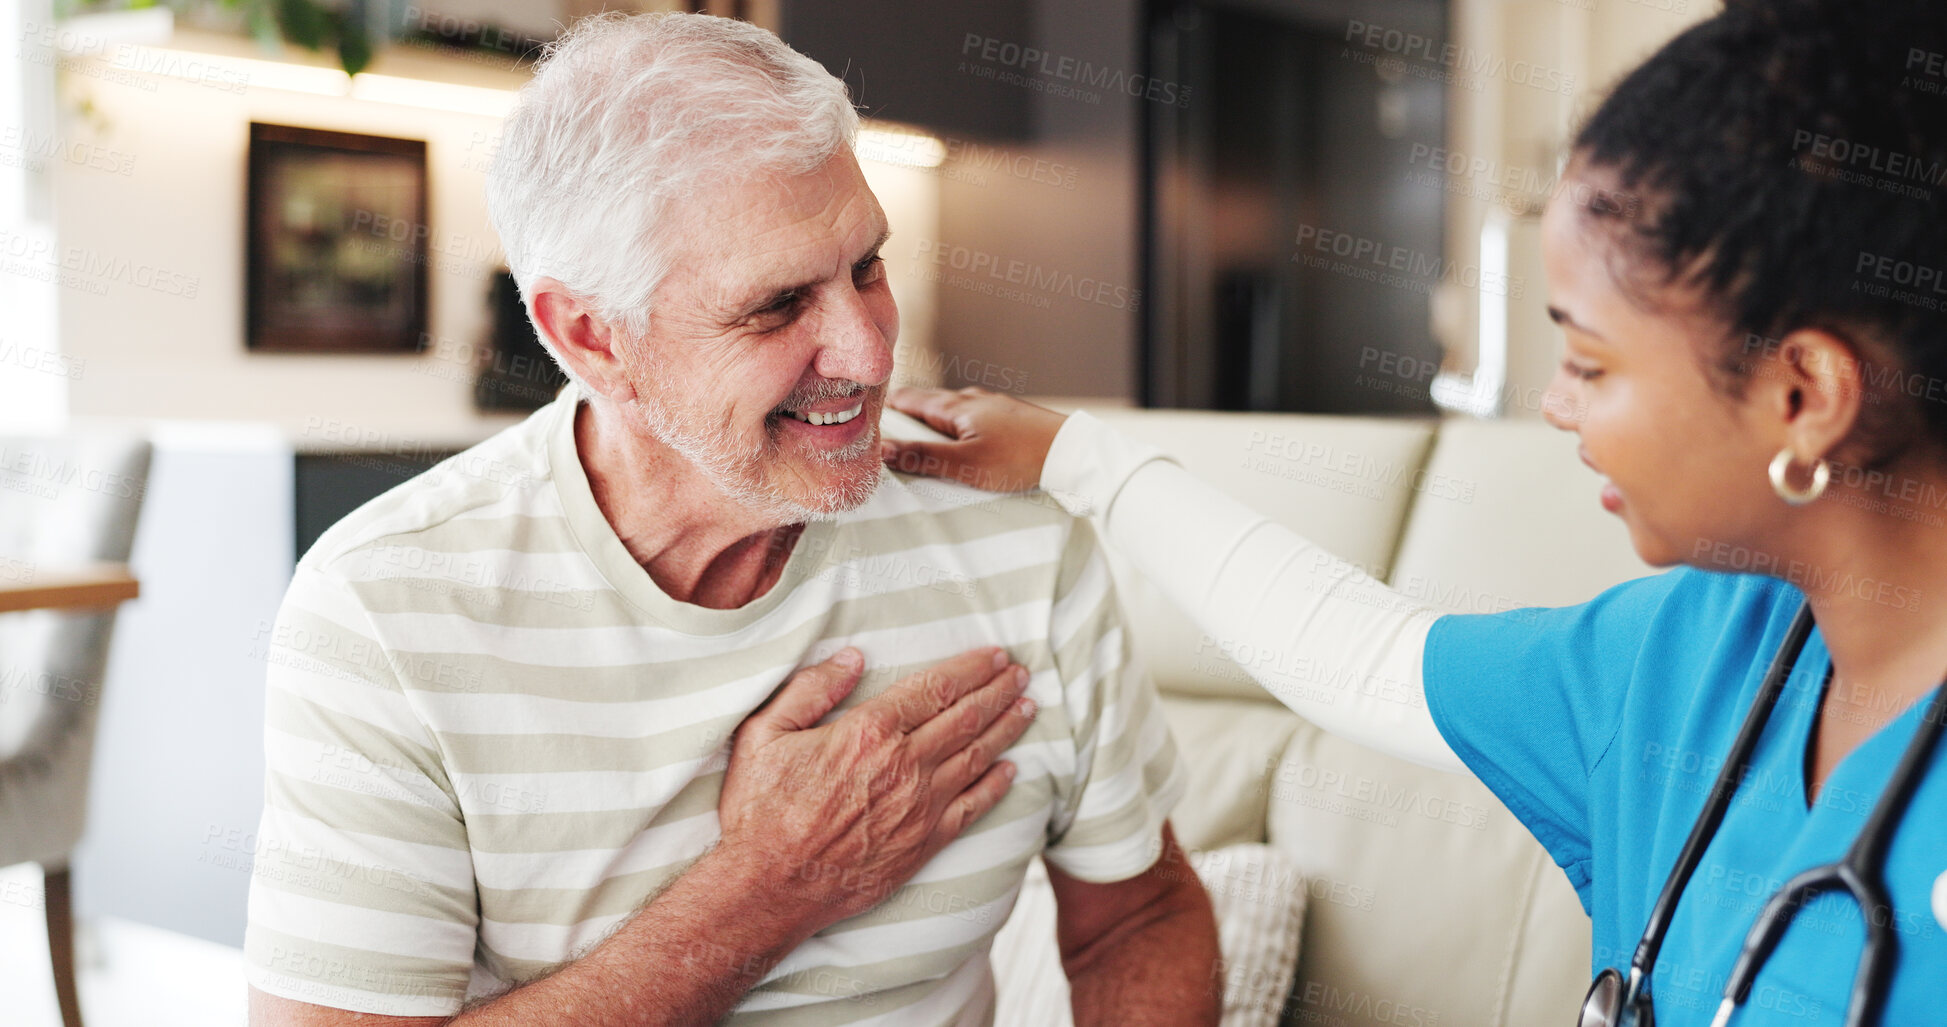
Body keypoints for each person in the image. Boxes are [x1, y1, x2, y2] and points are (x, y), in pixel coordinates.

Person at [882, 1, 1947, 1024]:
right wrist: (1080, 459)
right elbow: (1361, 655)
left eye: (1589, 360)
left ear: (1801, 395)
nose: (1554, 403)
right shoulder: (1696, 649)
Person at [243, 12, 1219, 1026]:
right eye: (777, 305)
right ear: (591, 336)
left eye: (868, 267)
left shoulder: (1011, 527)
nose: (870, 354)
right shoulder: (385, 609)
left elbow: (1135, 915)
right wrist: (770, 886)